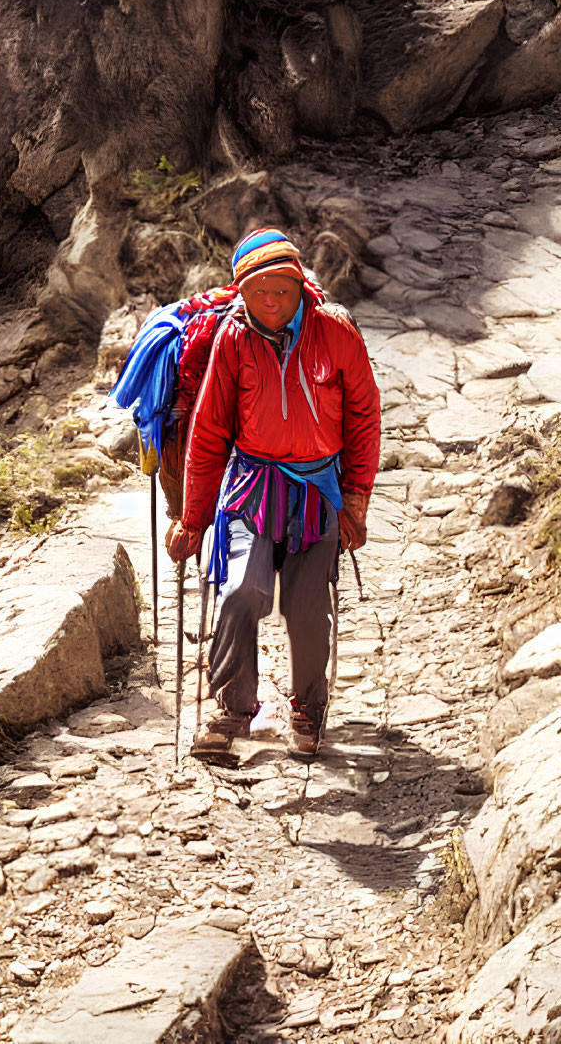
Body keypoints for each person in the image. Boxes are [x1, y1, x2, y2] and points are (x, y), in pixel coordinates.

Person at [165, 228, 381, 761]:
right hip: (251, 487)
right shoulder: (232, 340)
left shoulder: (335, 332)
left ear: (300, 285)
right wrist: (193, 519)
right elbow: (210, 431)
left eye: (281, 290)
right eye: (259, 291)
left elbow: (364, 418)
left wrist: (355, 501)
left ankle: (307, 707)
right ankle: (234, 706)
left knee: (307, 607)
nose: (271, 302)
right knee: (241, 590)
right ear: (241, 293)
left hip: (317, 491)